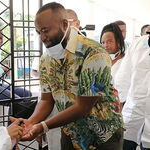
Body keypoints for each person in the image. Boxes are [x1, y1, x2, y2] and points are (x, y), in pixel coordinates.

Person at [15, 2, 124, 150]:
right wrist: (31, 122)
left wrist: (43, 127)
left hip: (103, 135)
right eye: (38, 32)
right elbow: (47, 99)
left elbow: (83, 106)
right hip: (71, 133)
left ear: (65, 24)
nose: (42, 37)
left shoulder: (94, 52)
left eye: (45, 30)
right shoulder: (46, 59)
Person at [114, 34, 150, 150]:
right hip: (133, 111)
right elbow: (123, 77)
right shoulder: (138, 43)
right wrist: (118, 103)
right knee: (126, 144)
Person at [100, 23, 126, 106]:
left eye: (109, 41)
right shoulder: (102, 61)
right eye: (103, 42)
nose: (105, 45)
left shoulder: (125, 61)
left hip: (120, 105)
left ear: (118, 41)